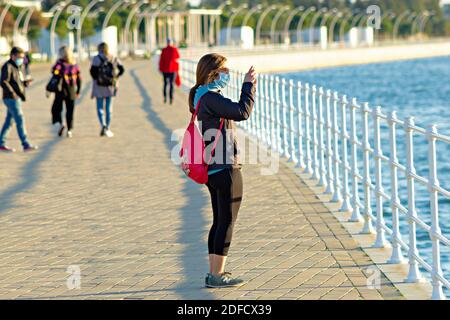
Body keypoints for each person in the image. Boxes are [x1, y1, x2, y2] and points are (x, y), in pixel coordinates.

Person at [188, 53, 257, 288]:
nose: (228, 74)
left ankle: (213, 273)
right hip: (225, 167)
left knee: (219, 221)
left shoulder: (202, 98)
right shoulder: (209, 98)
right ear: (213, 73)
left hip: (215, 168)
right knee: (226, 222)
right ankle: (217, 276)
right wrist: (248, 85)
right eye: (225, 70)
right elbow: (242, 111)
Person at [0, 47, 38, 152]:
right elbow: (3, 81)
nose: (21, 59)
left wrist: (25, 83)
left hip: (15, 97)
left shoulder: (16, 66)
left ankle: (1, 143)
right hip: (11, 98)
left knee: (9, 121)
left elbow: (16, 82)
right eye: (20, 57)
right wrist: (13, 93)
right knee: (20, 119)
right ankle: (25, 143)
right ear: (13, 56)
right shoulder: (7, 66)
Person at [89, 42, 124, 138]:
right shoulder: (113, 58)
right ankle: (108, 127)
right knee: (109, 108)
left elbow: (92, 72)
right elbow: (122, 69)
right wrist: (116, 77)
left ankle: (103, 125)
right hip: (110, 86)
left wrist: (97, 79)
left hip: (99, 86)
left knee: (100, 108)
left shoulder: (96, 58)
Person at [50, 46, 82, 138]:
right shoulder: (74, 64)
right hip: (71, 89)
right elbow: (79, 79)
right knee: (70, 111)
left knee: (56, 109)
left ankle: (60, 124)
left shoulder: (59, 64)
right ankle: (69, 130)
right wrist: (78, 91)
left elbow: (54, 73)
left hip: (60, 90)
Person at [159, 38, 180, 105]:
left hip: (165, 70)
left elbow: (161, 60)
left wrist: (160, 68)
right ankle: (171, 98)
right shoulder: (174, 49)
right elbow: (178, 57)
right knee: (171, 84)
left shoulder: (164, 50)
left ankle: (165, 97)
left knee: (165, 84)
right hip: (172, 69)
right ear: (171, 42)